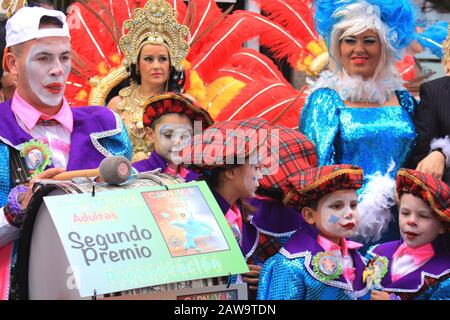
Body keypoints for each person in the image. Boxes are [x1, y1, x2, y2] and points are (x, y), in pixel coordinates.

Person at [0, 7, 132, 300]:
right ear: (12, 63)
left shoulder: (107, 128)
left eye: (64, 57)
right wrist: (17, 210)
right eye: (43, 58)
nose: (58, 69)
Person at [299, 0, 418, 245]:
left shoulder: (405, 100)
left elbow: (419, 158)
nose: (359, 49)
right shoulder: (326, 101)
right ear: (337, 45)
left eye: (369, 41)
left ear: (385, 45)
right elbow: (317, 174)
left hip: (406, 226)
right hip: (347, 227)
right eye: (350, 40)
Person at [182, 117, 270, 297]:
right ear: (230, 172)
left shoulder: (237, 212)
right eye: (255, 167)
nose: (261, 175)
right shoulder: (197, 218)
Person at [257, 164, 370, 300]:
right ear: (310, 215)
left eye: (353, 205)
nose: (349, 213)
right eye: (336, 206)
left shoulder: (359, 258)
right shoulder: (291, 265)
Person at [107, 0, 189, 162]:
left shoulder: (184, 105)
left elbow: (192, 155)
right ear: (137, 65)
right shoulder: (117, 104)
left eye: (163, 59)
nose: (156, 66)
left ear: (171, 65)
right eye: (149, 59)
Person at [366, 169, 449, 300]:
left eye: (423, 216)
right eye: (405, 213)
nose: (411, 221)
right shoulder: (377, 253)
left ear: (442, 226)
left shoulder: (445, 274)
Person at [131, 93, 213, 181]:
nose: (177, 142)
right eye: (169, 135)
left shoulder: (196, 179)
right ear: (151, 134)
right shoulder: (136, 174)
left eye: (184, 136)